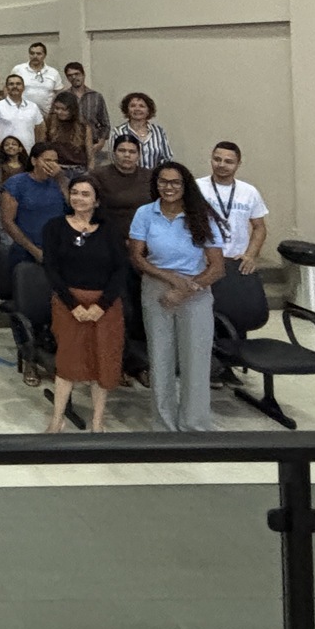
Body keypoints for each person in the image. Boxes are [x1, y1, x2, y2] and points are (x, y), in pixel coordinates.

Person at [128, 162, 226, 432]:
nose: (168, 187)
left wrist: (185, 289)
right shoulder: (145, 213)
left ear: (185, 186)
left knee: (196, 359)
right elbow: (137, 256)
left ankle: (194, 425)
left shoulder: (202, 214)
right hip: (156, 287)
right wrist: (170, 280)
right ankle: (164, 425)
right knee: (160, 357)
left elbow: (217, 267)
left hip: (196, 290)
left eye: (175, 182)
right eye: (163, 182)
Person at [42, 173, 131, 433]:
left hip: (105, 306)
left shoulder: (110, 229)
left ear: (96, 200)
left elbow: (121, 269)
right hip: (69, 303)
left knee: (102, 360)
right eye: (74, 193)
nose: (78, 198)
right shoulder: (54, 227)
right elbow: (51, 269)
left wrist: (101, 305)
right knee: (68, 360)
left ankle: (98, 421)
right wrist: (74, 305)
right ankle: (57, 419)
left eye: (85, 194)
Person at [0, 142, 68, 308]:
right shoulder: (16, 184)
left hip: (58, 251)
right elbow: (7, 222)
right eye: (47, 160)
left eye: (55, 161)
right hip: (26, 251)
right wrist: (34, 251)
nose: (52, 164)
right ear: (34, 161)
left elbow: (74, 209)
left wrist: (61, 179)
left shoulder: (60, 183)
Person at [198, 141, 270, 275]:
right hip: (202, 261)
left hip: (236, 261)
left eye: (228, 161)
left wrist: (250, 256)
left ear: (238, 164)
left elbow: (259, 227)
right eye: (217, 159)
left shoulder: (249, 192)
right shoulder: (196, 188)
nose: (221, 165)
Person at [90, 133, 153, 241]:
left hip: (144, 237)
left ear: (139, 155)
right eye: (122, 151)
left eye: (132, 152)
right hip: (108, 236)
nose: (127, 155)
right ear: (114, 153)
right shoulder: (99, 175)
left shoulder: (150, 176)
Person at [0, 73, 44, 155]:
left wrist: (36, 151)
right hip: (7, 153)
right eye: (11, 84)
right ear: (6, 88)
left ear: (23, 87)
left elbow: (39, 130)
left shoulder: (33, 106)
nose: (15, 86)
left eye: (18, 84)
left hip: (28, 152)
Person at [61, 62, 110, 158]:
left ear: (83, 75)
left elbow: (105, 123)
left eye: (77, 74)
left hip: (93, 144)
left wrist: (101, 142)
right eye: (70, 75)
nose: (74, 77)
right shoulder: (63, 97)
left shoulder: (96, 97)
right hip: (69, 146)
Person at [116, 92, 170, 170]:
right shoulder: (118, 132)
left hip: (155, 176)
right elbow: (115, 159)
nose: (137, 109)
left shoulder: (158, 131)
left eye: (142, 106)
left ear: (148, 111)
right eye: (133, 106)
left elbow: (167, 158)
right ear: (127, 110)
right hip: (127, 176)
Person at [13, 42, 65, 115]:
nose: (35, 56)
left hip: (46, 114)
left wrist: (53, 111)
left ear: (44, 55)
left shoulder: (53, 72)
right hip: (22, 114)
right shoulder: (18, 70)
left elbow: (60, 93)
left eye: (38, 54)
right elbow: (7, 89)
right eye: (32, 53)